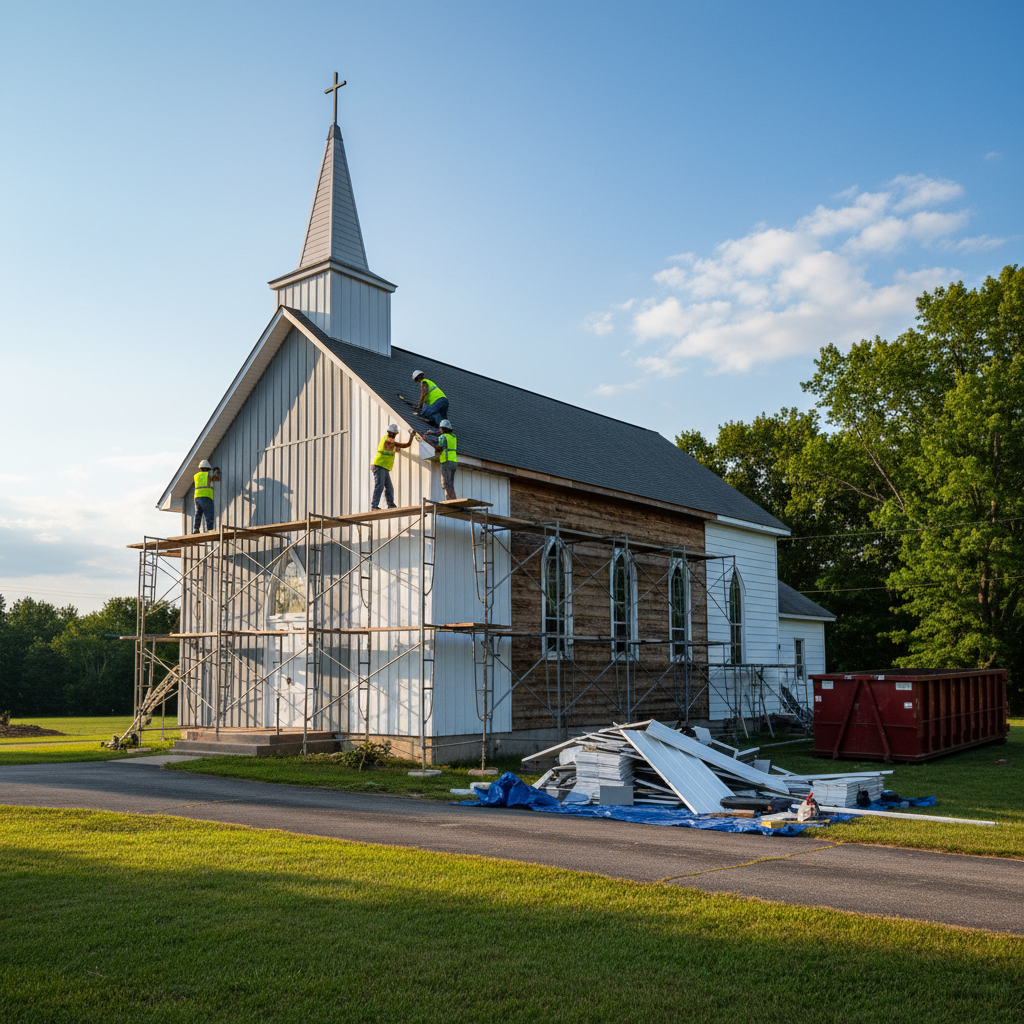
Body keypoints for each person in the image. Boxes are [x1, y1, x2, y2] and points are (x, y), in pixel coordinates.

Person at [371, 423, 413, 510]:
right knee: (380, 485)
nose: (393, 435)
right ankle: (374, 505)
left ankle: (390, 505)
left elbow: (393, 448)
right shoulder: (388, 441)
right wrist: (411, 436)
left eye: (394, 434)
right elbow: (407, 445)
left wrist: (396, 448)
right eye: (392, 434)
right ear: (389, 433)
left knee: (389, 487)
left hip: (384, 467)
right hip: (379, 466)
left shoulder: (389, 441)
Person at [431, 419, 457, 500]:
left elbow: (440, 447)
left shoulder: (443, 437)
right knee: (450, 483)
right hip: (454, 461)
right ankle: (449, 498)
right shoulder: (453, 437)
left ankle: (453, 500)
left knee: (446, 483)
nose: (439, 430)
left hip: (446, 461)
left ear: (443, 429)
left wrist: (431, 444)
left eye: (440, 428)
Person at [193, 459, 220, 533]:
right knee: (209, 513)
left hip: (197, 497)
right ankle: (210, 529)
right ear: (208, 468)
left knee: (198, 513)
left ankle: (196, 528)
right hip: (207, 496)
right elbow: (217, 478)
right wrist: (217, 471)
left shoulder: (196, 475)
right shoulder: (209, 474)